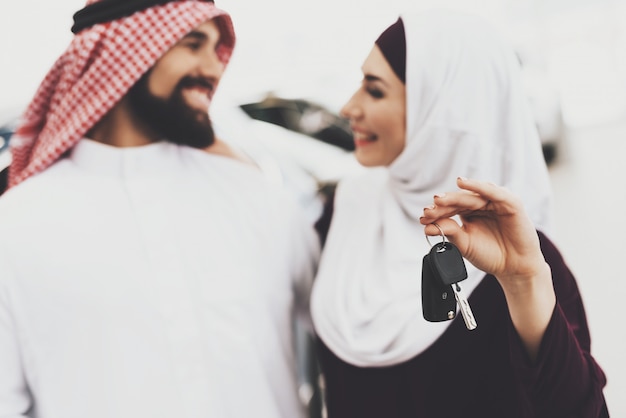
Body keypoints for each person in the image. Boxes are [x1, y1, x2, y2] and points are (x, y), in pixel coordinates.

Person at [0, 1, 319, 417]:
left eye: (216, 48)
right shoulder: (18, 225)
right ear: (122, 53)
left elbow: (344, 328)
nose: (213, 67)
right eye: (193, 44)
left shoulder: (255, 197)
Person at [310, 10, 609, 418]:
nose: (348, 107)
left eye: (374, 90)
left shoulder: (525, 260)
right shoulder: (341, 217)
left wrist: (523, 283)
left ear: (444, 109)